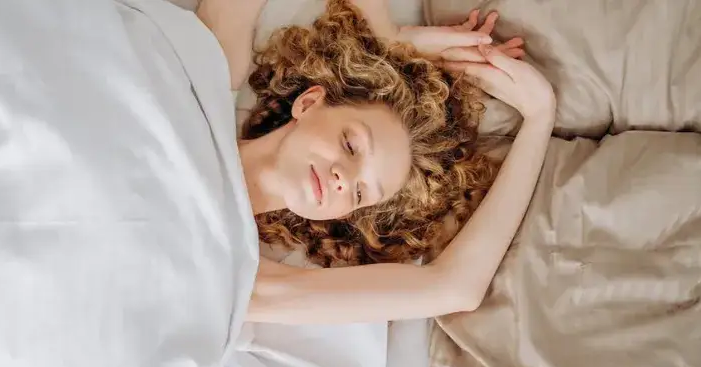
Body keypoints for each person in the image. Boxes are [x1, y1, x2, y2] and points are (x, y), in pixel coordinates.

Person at [197, 0, 557, 324]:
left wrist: (540, 117)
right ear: (308, 103)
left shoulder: (241, 274)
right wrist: (391, 39)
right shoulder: (206, 83)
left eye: (359, 192)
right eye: (351, 145)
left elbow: (455, 288)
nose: (344, 177)